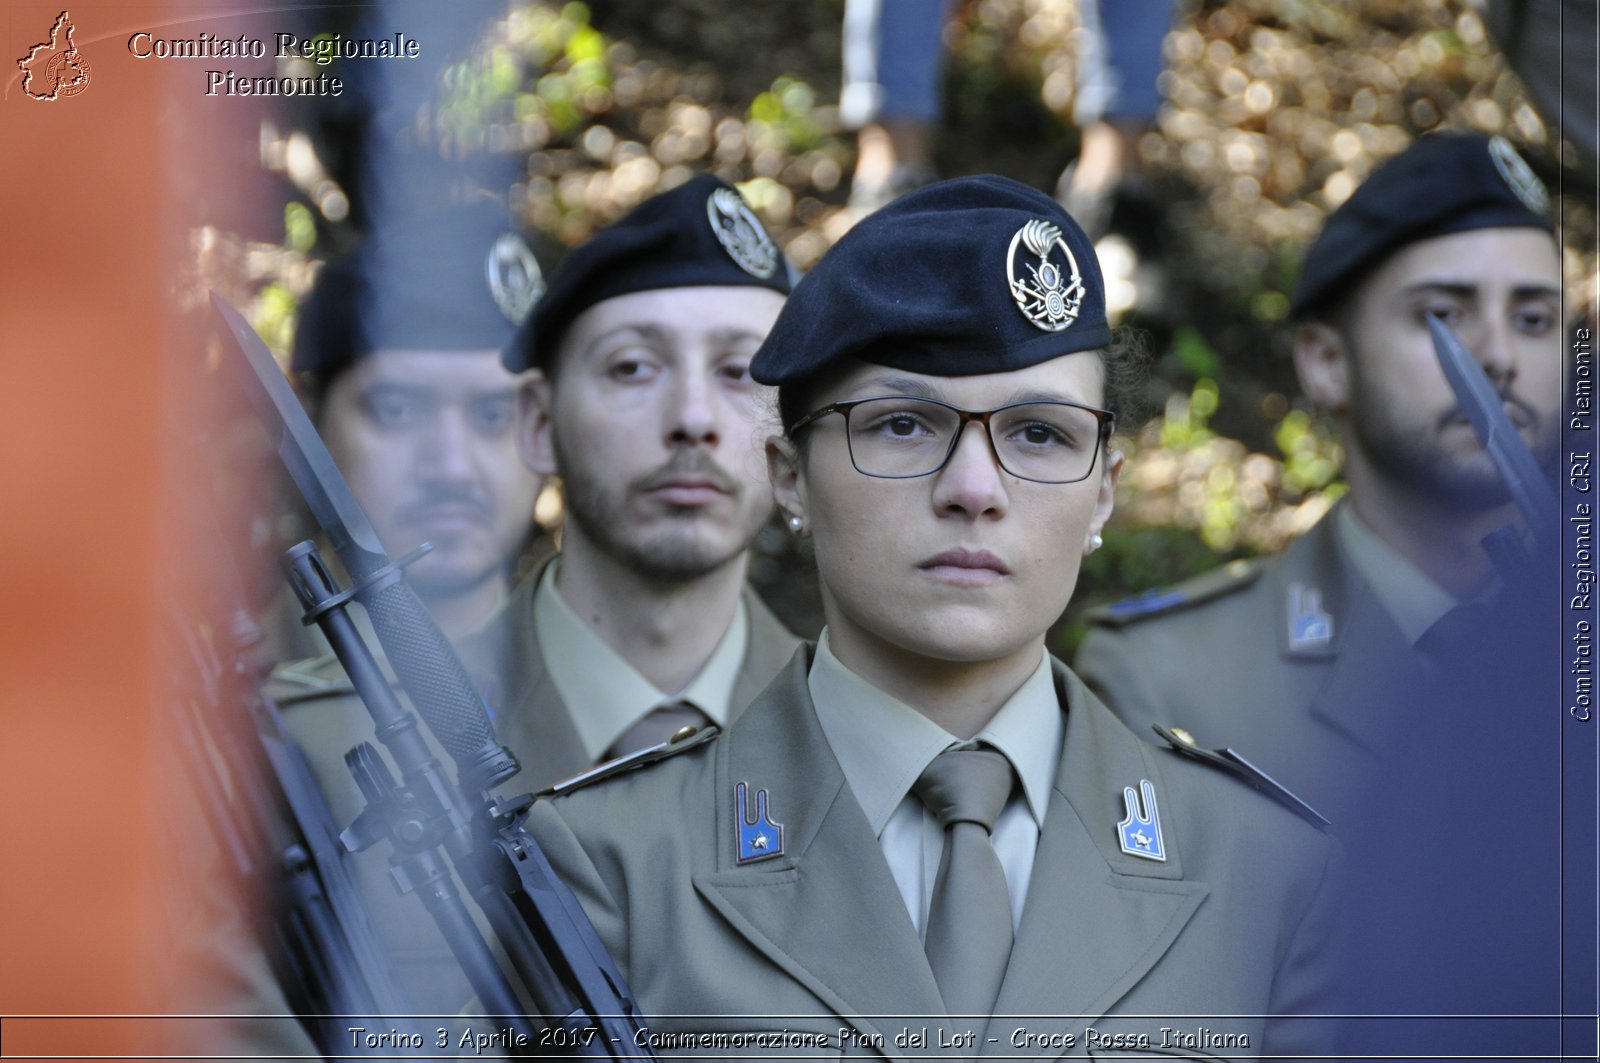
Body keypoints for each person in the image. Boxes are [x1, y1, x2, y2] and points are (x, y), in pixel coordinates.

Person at [525, 175, 1338, 1056]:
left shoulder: (1265, 867)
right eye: (904, 425)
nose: (974, 491)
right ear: (788, 474)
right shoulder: (610, 861)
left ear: (1103, 492)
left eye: (1039, 434)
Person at [267, 174, 800, 1017]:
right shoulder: (312, 747)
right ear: (542, 423)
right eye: (632, 367)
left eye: (741, 370)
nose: (693, 417)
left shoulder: (876, 747)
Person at [1074, 131, 1563, 824]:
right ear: (1328, 362)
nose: (1500, 355)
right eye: (1445, 315)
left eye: (1535, 318)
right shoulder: (1171, 680)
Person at [264, 203, 546, 662]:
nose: (451, 468)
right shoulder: (203, 697)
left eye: (494, 415)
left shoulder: (629, 702)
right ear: (307, 423)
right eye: (396, 410)